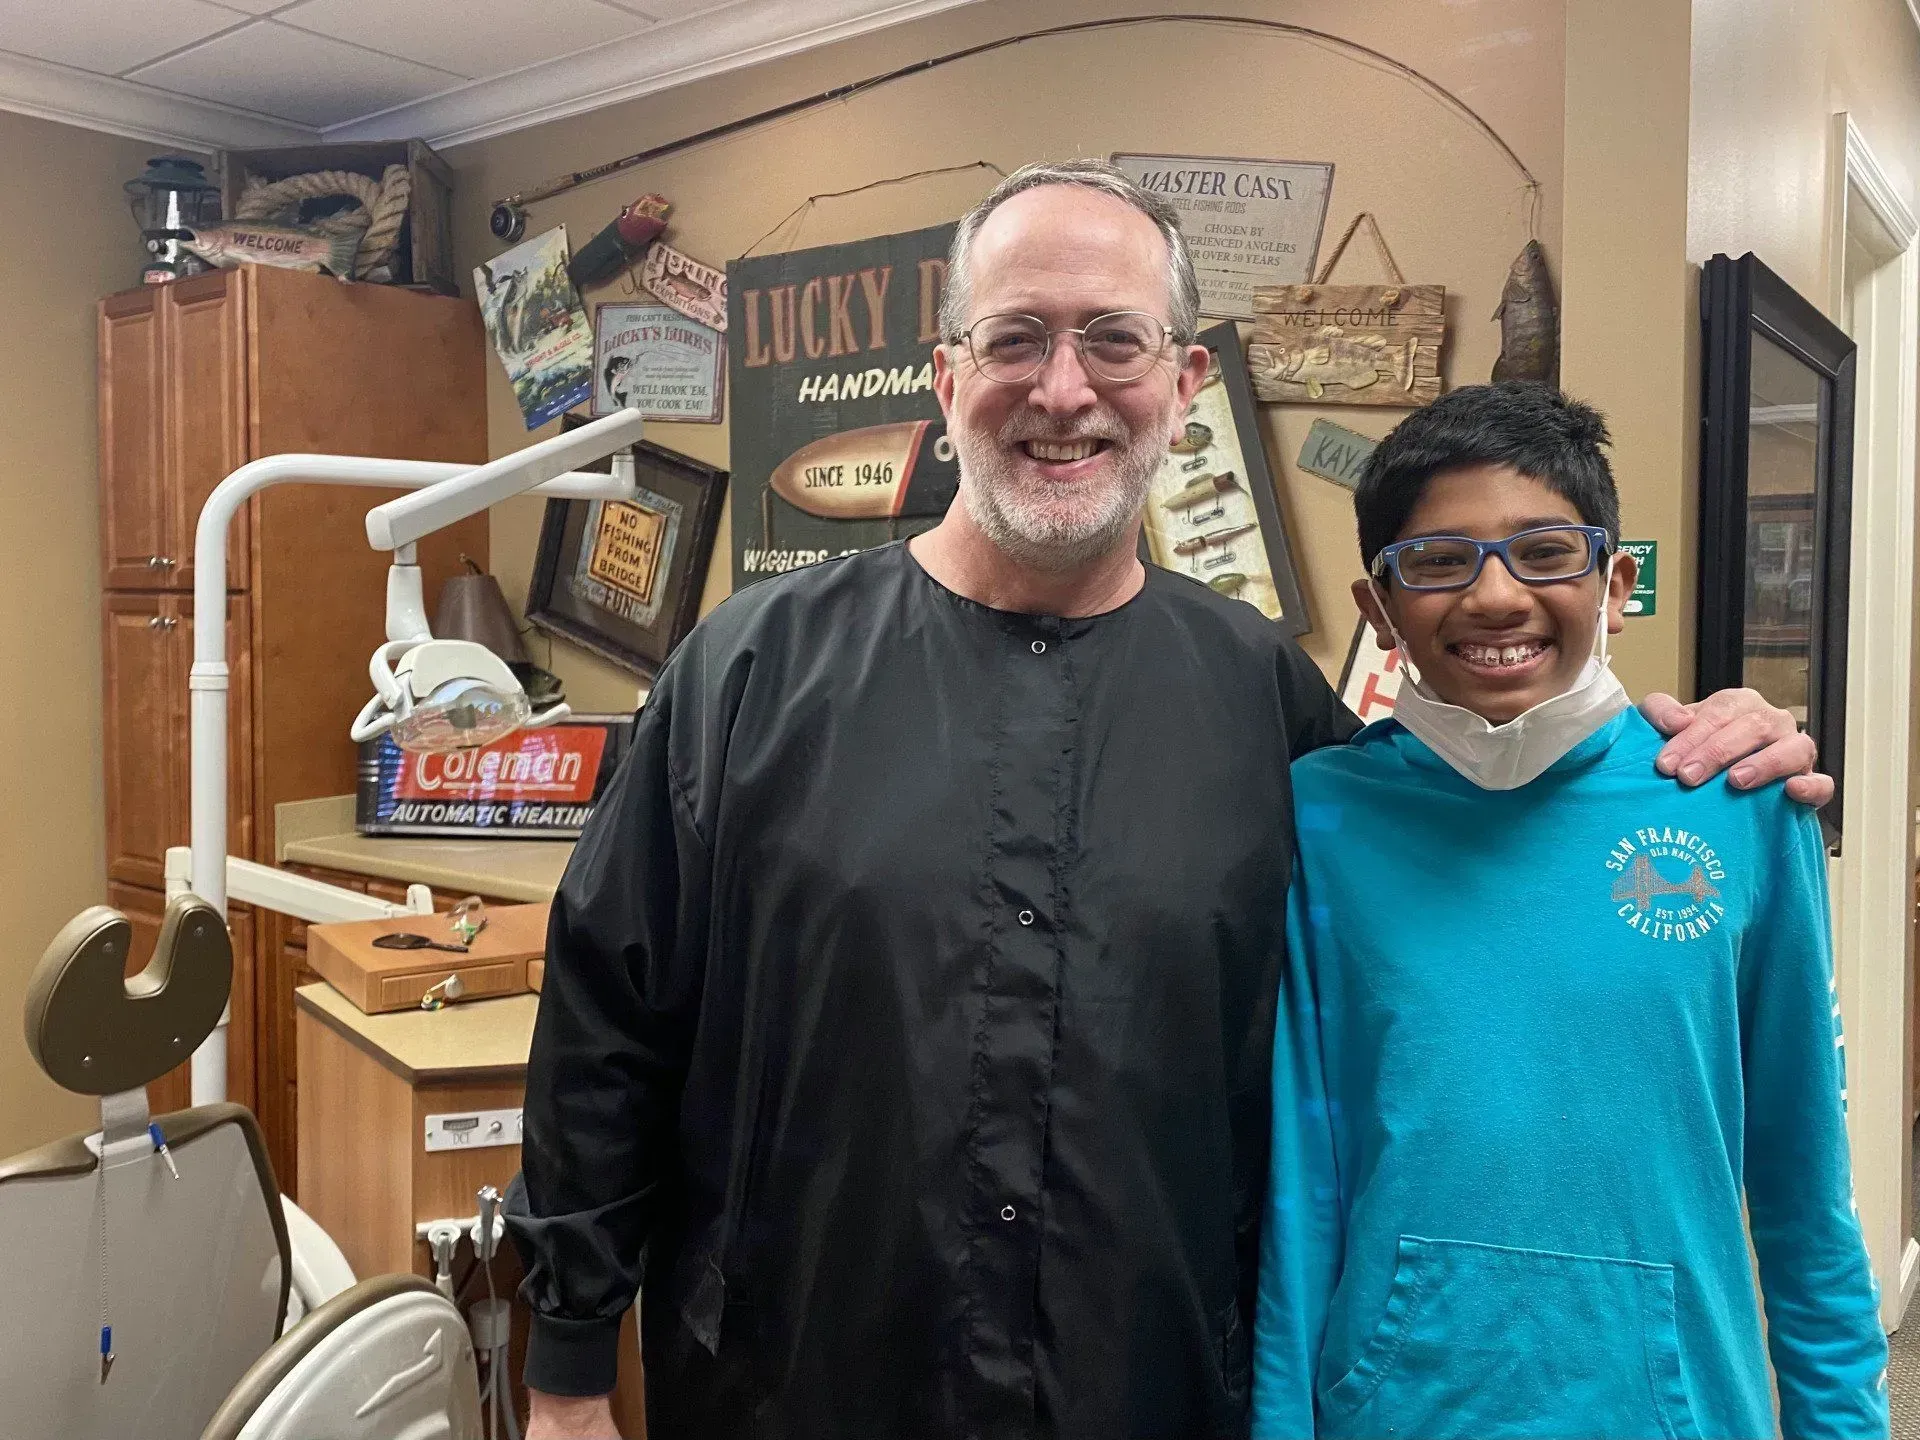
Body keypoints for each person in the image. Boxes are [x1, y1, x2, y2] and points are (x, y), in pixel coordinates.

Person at [507, 162, 1827, 1440]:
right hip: (800, 1386)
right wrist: (567, 1369)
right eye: (1016, 337)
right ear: (948, 375)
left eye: (1114, 343)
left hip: (1153, 1390)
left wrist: (1715, 753)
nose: (1064, 389)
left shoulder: (1269, 707)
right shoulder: (748, 672)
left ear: (1186, 382)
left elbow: (1478, 849)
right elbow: (607, 1026)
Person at [1252, 383, 1885, 1440]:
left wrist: (1844, 1425)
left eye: (1545, 551)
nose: (1496, 598)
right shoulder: (1321, 821)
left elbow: (1805, 1183)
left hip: (1676, 1409)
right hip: (1395, 1408)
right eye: (1440, 561)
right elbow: (1302, 1183)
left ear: (1617, 579)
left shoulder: (1740, 808)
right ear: (1379, 607)